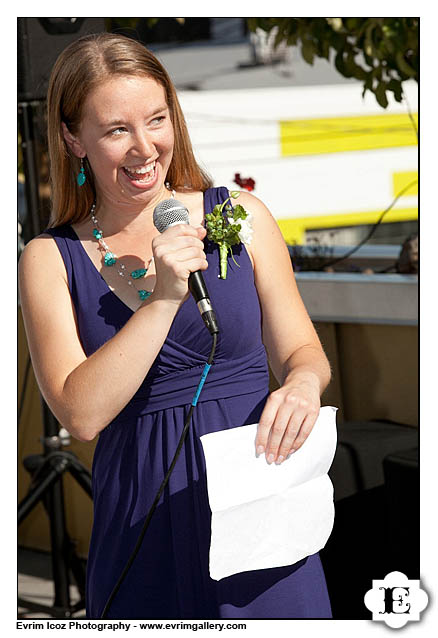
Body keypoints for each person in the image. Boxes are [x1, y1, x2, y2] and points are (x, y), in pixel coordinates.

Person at [18, 32, 333, 619]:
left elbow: (303, 350)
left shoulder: (239, 214)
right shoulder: (47, 258)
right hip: (143, 521)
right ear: (71, 136)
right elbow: (80, 413)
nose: (145, 148)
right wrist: (163, 300)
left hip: (259, 508)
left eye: (156, 120)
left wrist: (303, 384)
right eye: (116, 130)